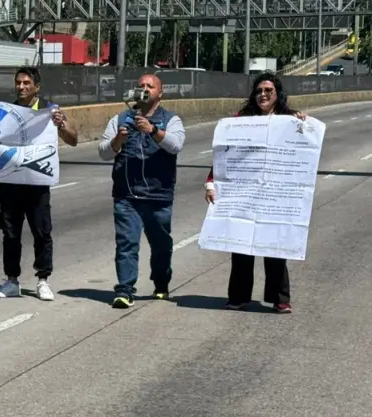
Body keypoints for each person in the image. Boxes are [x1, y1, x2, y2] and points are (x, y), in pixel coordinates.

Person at [0, 67, 78, 301]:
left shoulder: (49, 111)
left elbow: (73, 139)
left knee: (41, 232)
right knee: (10, 234)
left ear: (37, 87)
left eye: (27, 83)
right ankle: (11, 280)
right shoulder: (6, 112)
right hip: (10, 182)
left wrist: (62, 125)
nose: (21, 86)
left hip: (37, 184)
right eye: (18, 82)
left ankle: (43, 280)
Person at [204, 72, 306, 314]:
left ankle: (279, 298)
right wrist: (211, 183)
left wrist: (304, 125)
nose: (263, 95)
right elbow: (225, 155)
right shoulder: (241, 120)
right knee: (241, 245)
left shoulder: (290, 120)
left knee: (274, 246)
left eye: (268, 91)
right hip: (245, 193)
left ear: (277, 94)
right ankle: (238, 297)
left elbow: (304, 152)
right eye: (259, 91)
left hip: (275, 195)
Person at [97, 73, 186, 308]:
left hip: (158, 195)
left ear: (160, 93)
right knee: (126, 243)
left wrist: (153, 130)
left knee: (161, 246)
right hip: (127, 195)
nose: (145, 89)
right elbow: (104, 152)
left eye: (150, 86)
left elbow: (176, 145)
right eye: (141, 86)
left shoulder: (171, 120)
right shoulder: (121, 118)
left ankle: (161, 282)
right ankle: (125, 289)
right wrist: (118, 140)